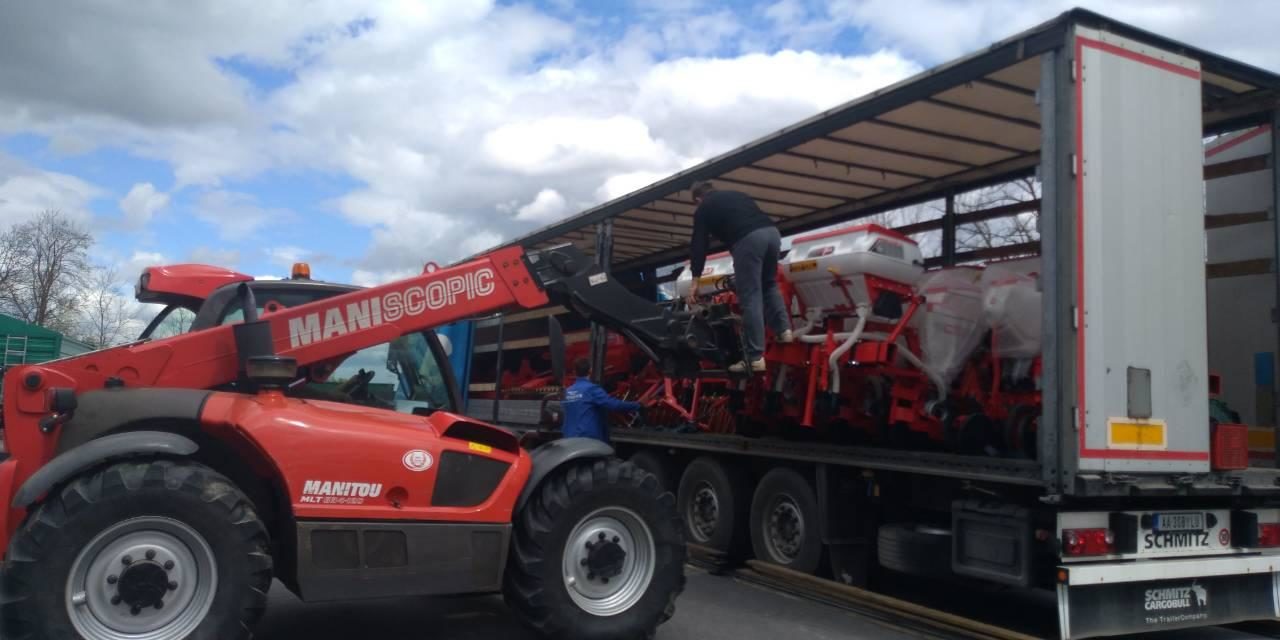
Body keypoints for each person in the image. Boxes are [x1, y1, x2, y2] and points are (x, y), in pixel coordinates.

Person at [686, 181, 792, 372]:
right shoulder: (737, 195)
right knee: (769, 284)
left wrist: (695, 280)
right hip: (772, 234)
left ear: (698, 199)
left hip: (748, 239)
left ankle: (754, 358)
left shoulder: (703, 208)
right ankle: (783, 330)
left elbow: (699, 244)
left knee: (750, 296)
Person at [561, 357, 642, 444]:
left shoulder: (567, 392)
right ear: (590, 371)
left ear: (574, 372)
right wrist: (637, 405)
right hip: (587, 440)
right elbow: (613, 405)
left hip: (569, 439)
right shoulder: (591, 389)